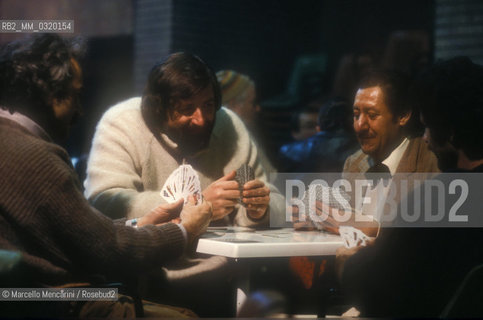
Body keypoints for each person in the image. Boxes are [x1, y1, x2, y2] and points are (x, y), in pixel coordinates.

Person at [0, 34, 212, 318]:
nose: (79, 109)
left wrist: (139, 224)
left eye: (209, 105)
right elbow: (110, 251)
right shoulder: (35, 155)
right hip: (57, 303)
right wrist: (183, 231)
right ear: (51, 94)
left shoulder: (8, 138)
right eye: (75, 95)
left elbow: (78, 231)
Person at [337, 57, 483, 317]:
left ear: (449, 130)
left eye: (427, 127)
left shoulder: (439, 197)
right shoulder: (355, 164)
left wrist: (349, 264)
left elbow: (375, 290)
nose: (425, 138)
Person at [84, 52, 284, 227]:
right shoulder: (122, 123)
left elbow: (275, 201)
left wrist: (258, 211)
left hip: (226, 265)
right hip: (153, 267)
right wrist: (196, 204)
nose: (201, 119)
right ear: (159, 109)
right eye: (187, 109)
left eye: (208, 105)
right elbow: (103, 202)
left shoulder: (230, 125)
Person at [277, 98, 359, 172]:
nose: (316, 132)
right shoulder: (360, 151)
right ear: (295, 133)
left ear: (319, 127)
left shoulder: (288, 152)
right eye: (309, 126)